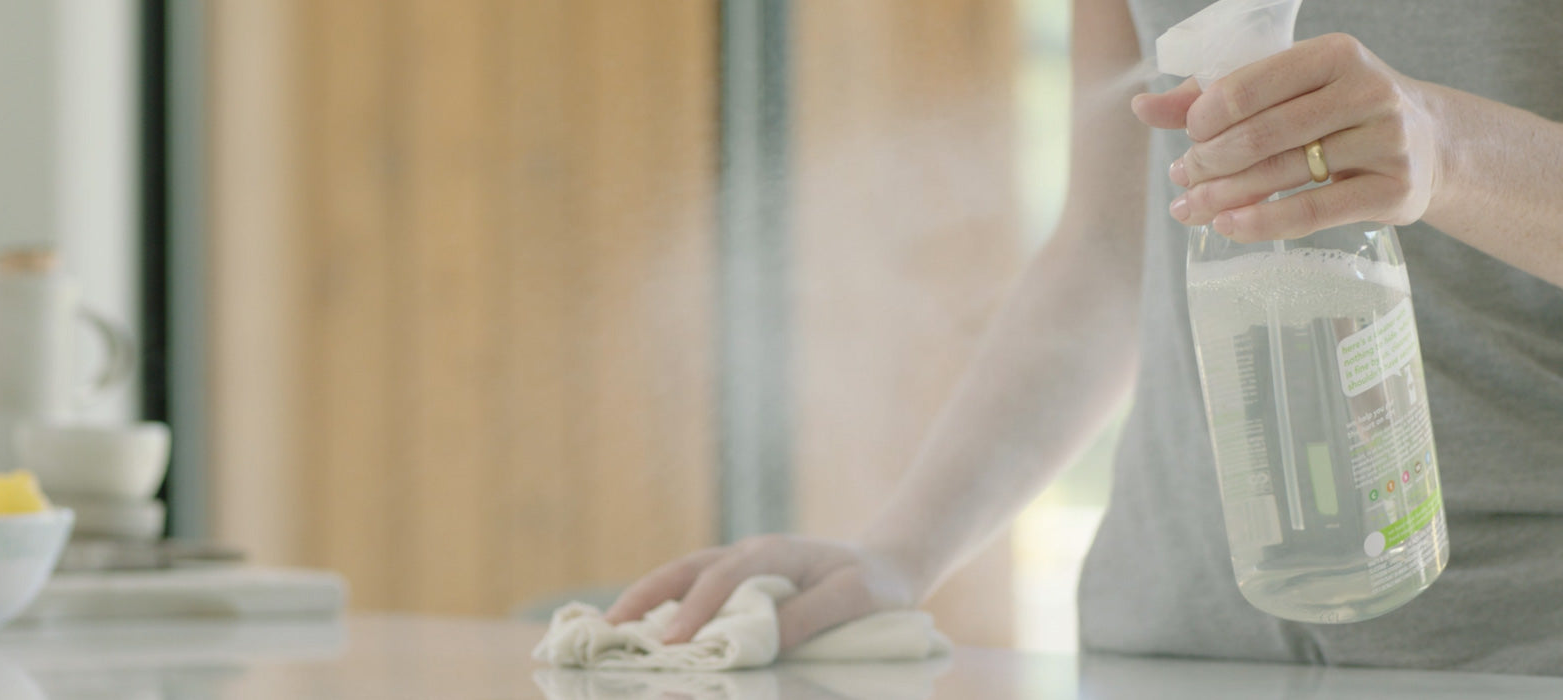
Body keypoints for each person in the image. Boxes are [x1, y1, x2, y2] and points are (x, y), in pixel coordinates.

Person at [606, 0, 1563, 674]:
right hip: (1176, 646)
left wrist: (1448, 146)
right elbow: (1113, 250)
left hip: (1514, 646)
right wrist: (899, 552)